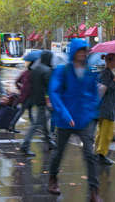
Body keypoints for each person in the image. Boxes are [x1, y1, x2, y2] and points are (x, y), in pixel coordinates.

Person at [47, 39, 102, 202]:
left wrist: (92, 111)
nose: (83, 54)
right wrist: (64, 114)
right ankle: (52, 179)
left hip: (85, 119)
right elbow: (54, 93)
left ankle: (94, 190)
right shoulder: (62, 70)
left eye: (85, 51)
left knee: (89, 155)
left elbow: (94, 93)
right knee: (59, 152)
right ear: (73, 52)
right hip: (65, 121)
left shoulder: (90, 71)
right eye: (80, 51)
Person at [20, 51, 56, 156]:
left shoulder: (36, 68)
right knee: (36, 124)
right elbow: (49, 88)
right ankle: (25, 146)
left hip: (36, 98)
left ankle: (49, 142)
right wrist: (49, 101)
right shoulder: (47, 70)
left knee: (43, 121)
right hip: (44, 101)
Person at [95, 53, 115, 166]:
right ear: (109, 61)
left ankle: (98, 152)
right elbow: (106, 89)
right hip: (107, 107)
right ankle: (101, 154)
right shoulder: (106, 74)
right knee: (107, 133)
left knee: (101, 131)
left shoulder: (106, 73)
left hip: (104, 107)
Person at [8, 61, 34, 133]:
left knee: (29, 111)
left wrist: (20, 89)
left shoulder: (25, 72)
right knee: (22, 111)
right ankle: (11, 125)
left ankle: (34, 126)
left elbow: (16, 82)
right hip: (28, 96)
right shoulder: (32, 74)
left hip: (25, 96)